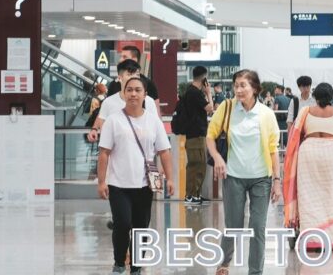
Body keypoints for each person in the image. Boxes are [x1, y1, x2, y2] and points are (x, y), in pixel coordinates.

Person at [96, 77, 174, 274]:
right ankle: (119, 263)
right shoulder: (114, 120)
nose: (133, 94)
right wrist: (102, 181)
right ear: (124, 94)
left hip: (144, 184)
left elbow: (164, 151)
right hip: (118, 184)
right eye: (129, 90)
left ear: (144, 94)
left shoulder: (153, 120)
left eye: (137, 90)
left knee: (141, 228)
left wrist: (171, 179)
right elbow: (104, 152)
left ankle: (137, 267)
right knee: (122, 223)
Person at [207, 70, 280, 275]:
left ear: (255, 89)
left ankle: (255, 271)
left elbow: (273, 150)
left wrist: (276, 180)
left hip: (261, 179)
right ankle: (224, 263)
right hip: (233, 178)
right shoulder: (227, 107)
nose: (238, 90)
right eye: (236, 85)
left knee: (258, 227)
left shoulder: (266, 114)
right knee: (234, 225)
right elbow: (210, 136)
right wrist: (218, 158)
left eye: (243, 85)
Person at [283, 83, 333, 248]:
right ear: (332, 97)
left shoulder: (305, 112)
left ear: (315, 96)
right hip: (332, 154)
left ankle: (312, 240)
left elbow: (295, 136)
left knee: (308, 196)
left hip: (309, 154)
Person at [88, 60, 160, 143]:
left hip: (143, 153)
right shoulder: (109, 102)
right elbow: (103, 124)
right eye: (129, 74)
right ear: (119, 78)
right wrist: (94, 129)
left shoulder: (148, 101)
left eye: (137, 74)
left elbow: (156, 128)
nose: (134, 77)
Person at [181, 66, 214, 205]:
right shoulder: (195, 93)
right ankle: (191, 195)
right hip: (195, 135)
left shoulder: (190, 91)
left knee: (198, 165)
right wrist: (209, 93)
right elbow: (210, 108)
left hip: (195, 134)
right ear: (204, 78)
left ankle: (195, 194)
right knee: (196, 165)